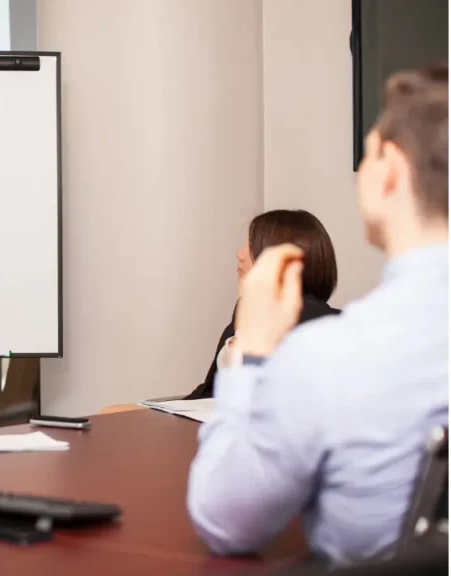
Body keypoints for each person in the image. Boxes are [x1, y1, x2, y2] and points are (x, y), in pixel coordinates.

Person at [187, 62, 448, 563]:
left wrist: (255, 356)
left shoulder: (332, 355)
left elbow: (227, 519)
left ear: (390, 171)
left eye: (367, 153)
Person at [186, 210, 340, 399]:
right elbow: (211, 390)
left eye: (251, 247)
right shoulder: (250, 309)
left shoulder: (317, 324)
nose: (240, 254)